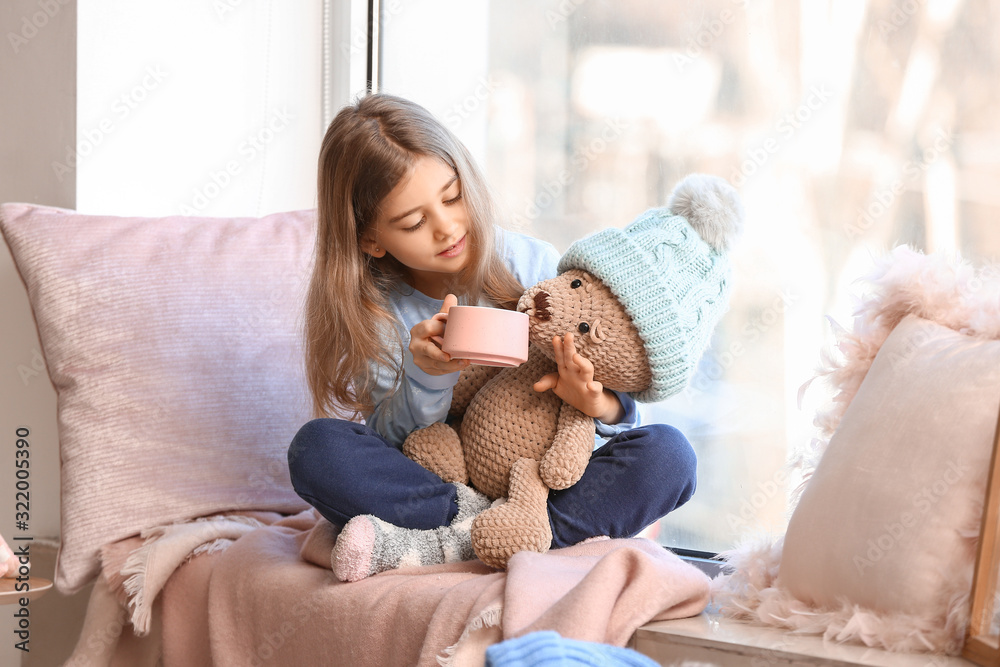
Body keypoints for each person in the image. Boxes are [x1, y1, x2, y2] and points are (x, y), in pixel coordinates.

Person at [286, 93, 698, 580]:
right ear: (371, 241)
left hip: (545, 484)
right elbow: (390, 449)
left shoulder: (531, 264)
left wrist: (597, 404)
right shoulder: (377, 315)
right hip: (445, 481)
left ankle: (452, 544)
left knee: (669, 456)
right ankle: (491, 533)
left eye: (452, 196)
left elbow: (624, 409)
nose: (447, 228)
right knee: (317, 450)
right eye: (414, 222)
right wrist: (428, 378)